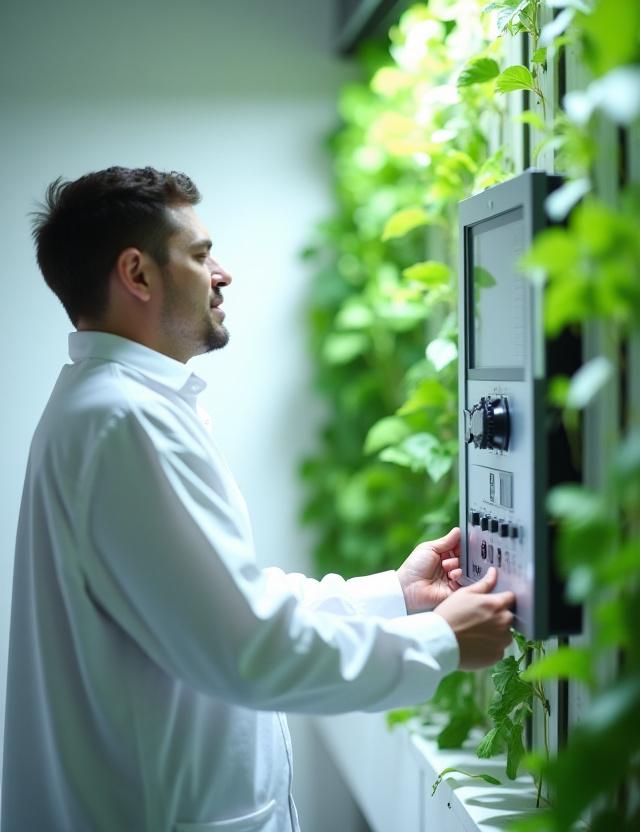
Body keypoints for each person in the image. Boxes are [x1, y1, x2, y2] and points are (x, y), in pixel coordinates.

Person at [1, 167, 515, 832]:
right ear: (138, 274)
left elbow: (223, 605)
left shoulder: (111, 408)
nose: (222, 274)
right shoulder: (124, 421)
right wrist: (439, 642)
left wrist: (396, 594)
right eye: (200, 253)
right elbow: (247, 647)